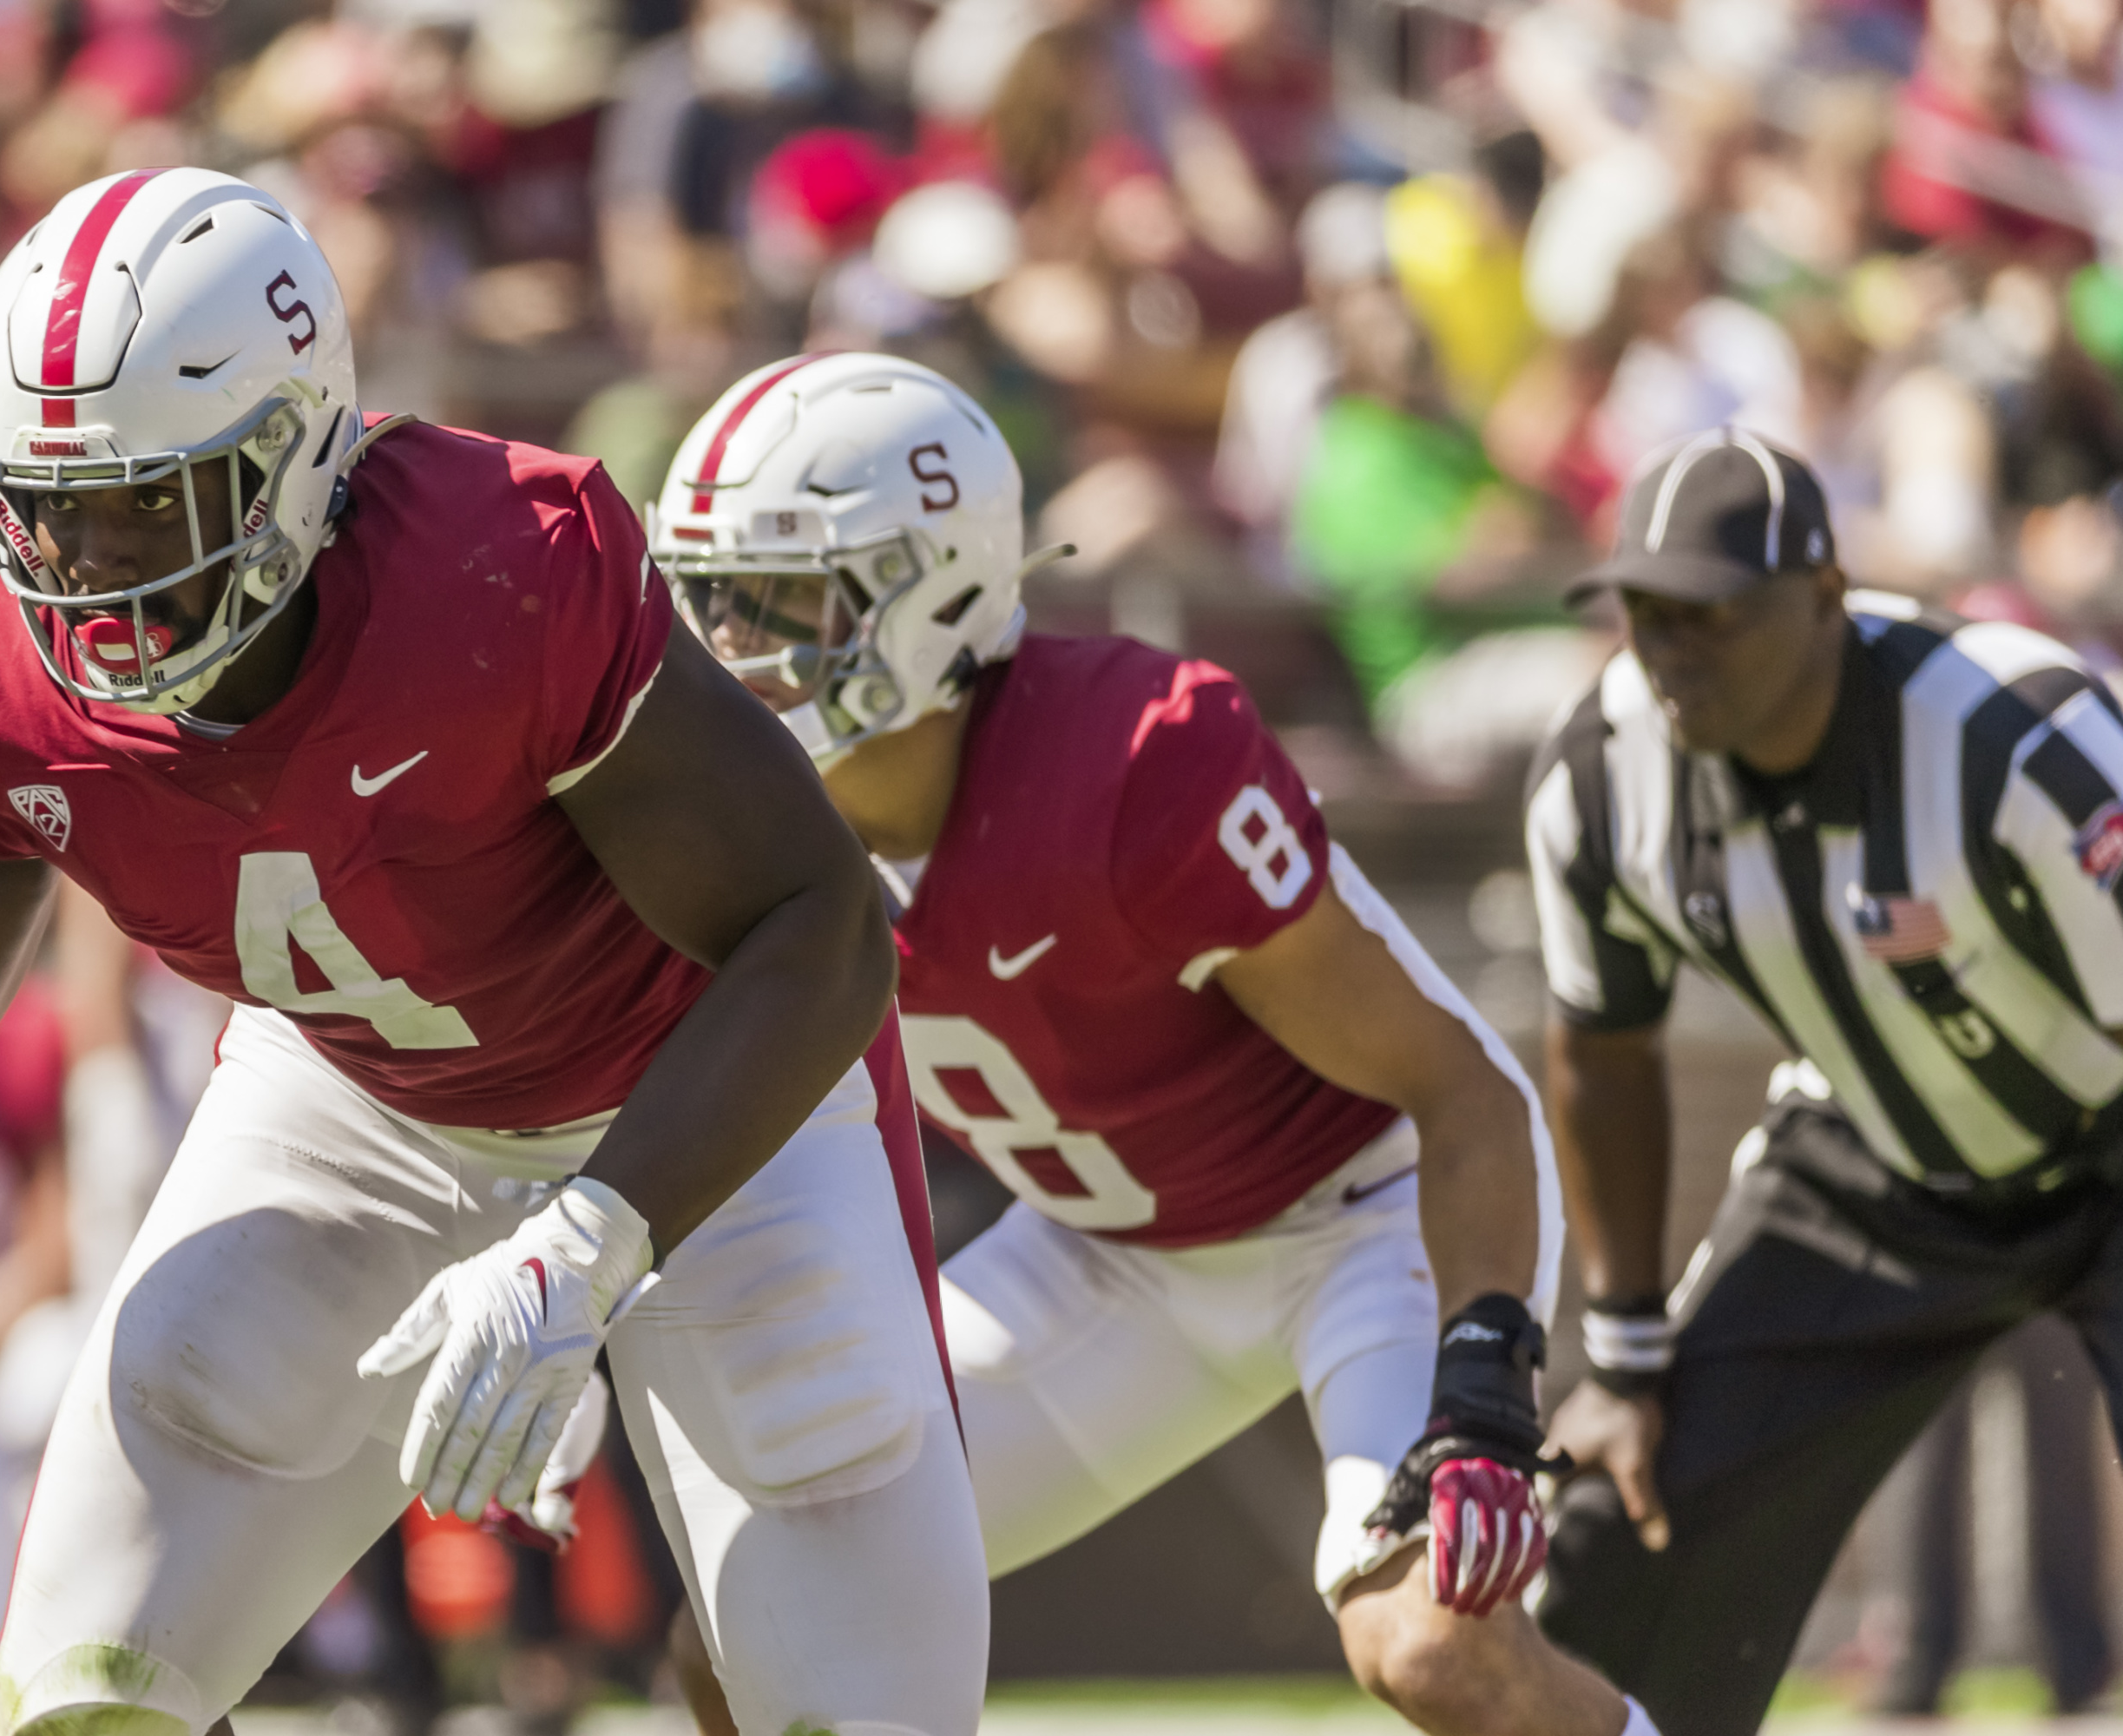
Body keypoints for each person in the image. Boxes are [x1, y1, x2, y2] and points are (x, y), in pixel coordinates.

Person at [0, 166, 987, 1735]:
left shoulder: (493, 574)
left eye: (147, 500)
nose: (87, 569)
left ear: (297, 459)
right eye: (47, 510)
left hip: (704, 1101)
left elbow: (819, 931)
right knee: (88, 1697)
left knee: (852, 1707)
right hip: (353, 1098)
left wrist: (594, 1240)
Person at [650, 351, 1651, 1736]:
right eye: (703, 599)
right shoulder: (725, 812)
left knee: (1434, 1654)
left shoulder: (1132, 766)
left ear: (928, 597)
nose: (723, 649)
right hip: (1107, 1246)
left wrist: (1484, 1380)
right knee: (745, 1620)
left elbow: (1456, 1087)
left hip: (1365, 1220)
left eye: (774, 605)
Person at [1528, 427, 2123, 1735]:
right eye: (1647, 614)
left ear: (1826, 597)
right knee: (1624, 1526)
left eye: (1715, 616)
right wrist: (1623, 1360)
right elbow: (1603, 1048)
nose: (1673, 652)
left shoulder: (2016, 740)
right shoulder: (1598, 776)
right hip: (1876, 1155)